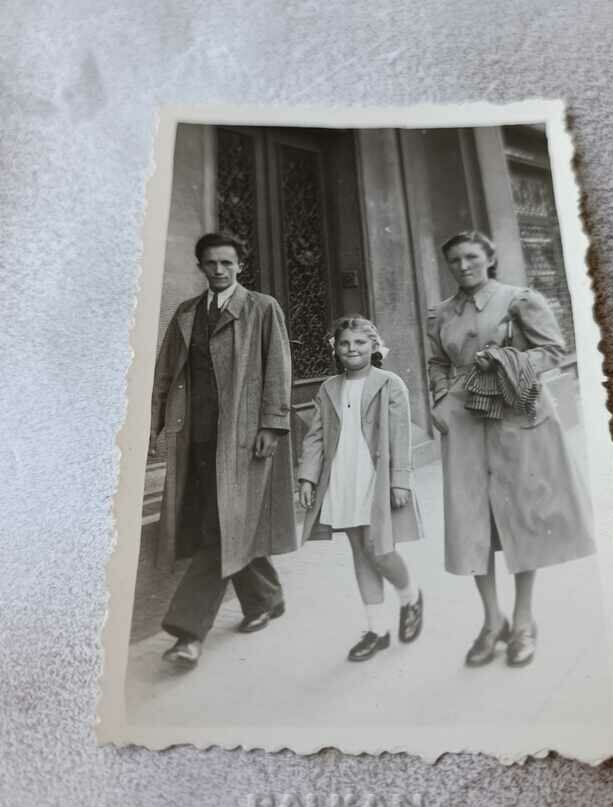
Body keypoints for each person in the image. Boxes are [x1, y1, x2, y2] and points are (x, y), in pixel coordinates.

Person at [427, 230, 595, 668]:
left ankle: (523, 621)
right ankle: (491, 620)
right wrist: (441, 399)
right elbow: (438, 362)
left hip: (514, 417)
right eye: (454, 261)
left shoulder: (519, 299)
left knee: (520, 516)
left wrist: (506, 361)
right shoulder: (441, 313)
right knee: (471, 521)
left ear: (489, 258)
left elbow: (553, 351)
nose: (463, 266)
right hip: (464, 423)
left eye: (470, 257)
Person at [149, 231, 297, 668]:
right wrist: (156, 428)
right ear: (200, 266)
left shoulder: (261, 308)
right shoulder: (186, 314)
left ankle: (187, 634)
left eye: (227, 263)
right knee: (222, 524)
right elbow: (164, 375)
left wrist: (273, 423)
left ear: (240, 266)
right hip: (194, 440)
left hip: (243, 440)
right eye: (211, 263)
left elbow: (278, 368)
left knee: (218, 529)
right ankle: (266, 598)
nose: (219, 270)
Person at [298, 316, 424, 662]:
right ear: (335, 349)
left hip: (375, 477)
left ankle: (410, 596)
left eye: (360, 343)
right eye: (344, 344)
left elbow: (401, 435)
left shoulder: (389, 383)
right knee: (360, 550)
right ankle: (377, 629)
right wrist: (307, 477)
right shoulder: (329, 388)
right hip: (342, 475)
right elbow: (316, 436)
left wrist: (400, 479)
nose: (352, 349)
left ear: (373, 346)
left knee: (379, 548)